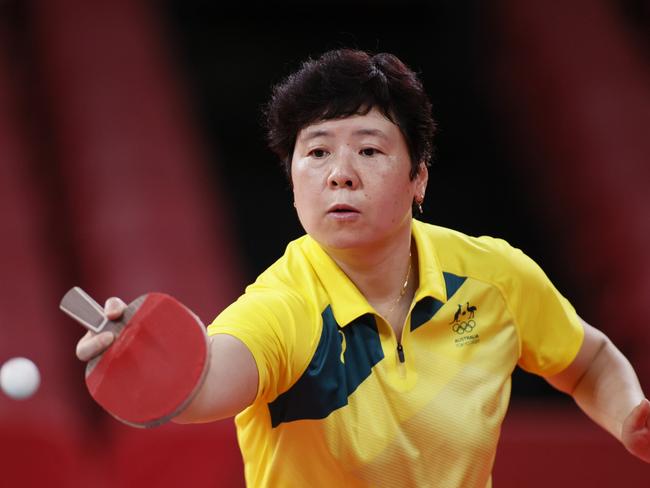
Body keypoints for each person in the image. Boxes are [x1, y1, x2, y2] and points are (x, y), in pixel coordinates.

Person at [76, 49, 650, 487]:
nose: (340, 173)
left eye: (369, 151)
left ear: (418, 177)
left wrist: (628, 415)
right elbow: (208, 383)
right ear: (294, 183)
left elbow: (587, 359)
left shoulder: (492, 276)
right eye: (318, 151)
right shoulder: (284, 307)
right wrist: (147, 361)